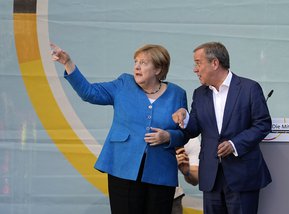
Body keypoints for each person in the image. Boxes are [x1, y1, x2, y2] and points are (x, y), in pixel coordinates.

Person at [51, 43, 188, 214]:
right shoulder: (123, 84)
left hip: (160, 172)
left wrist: (168, 136)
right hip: (123, 166)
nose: (137, 67)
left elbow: (184, 133)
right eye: (136, 61)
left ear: (158, 69)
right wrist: (68, 63)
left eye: (144, 63)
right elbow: (89, 93)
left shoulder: (177, 93)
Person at [172, 42, 272, 214]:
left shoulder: (249, 88)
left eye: (198, 62)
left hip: (243, 176)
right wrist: (185, 118)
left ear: (215, 63)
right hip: (211, 177)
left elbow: (262, 124)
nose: (195, 69)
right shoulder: (199, 93)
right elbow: (194, 129)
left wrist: (234, 144)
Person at [172, 137, 200, 214]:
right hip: (144, 193)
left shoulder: (190, 138)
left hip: (174, 198)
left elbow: (195, 180)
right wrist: (169, 164)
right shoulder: (143, 131)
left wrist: (187, 172)